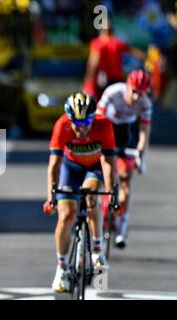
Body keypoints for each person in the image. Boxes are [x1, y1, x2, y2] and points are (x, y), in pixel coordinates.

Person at [43, 92, 119, 293]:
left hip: (94, 168)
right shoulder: (62, 126)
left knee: (91, 197)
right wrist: (51, 196)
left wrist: (112, 193)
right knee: (66, 215)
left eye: (85, 122)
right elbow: (54, 166)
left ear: (93, 117)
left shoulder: (104, 125)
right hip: (71, 168)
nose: (80, 128)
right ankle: (61, 267)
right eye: (75, 122)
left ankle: (97, 251)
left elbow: (110, 164)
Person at [96, 69, 153, 248]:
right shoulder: (113, 92)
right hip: (107, 128)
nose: (136, 97)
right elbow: (98, 119)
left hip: (127, 134)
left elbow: (144, 132)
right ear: (127, 86)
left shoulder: (146, 104)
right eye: (134, 91)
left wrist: (140, 155)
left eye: (141, 93)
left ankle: (122, 226)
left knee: (126, 180)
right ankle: (99, 212)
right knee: (103, 175)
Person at [83, 21, 147, 100]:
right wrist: (147, 57)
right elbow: (133, 51)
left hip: (103, 78)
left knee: (102, 101)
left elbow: (93, 62)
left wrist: (88, 77)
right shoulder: (117, 43)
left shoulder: (98, 43)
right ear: (112, 30)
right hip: (117, 79)